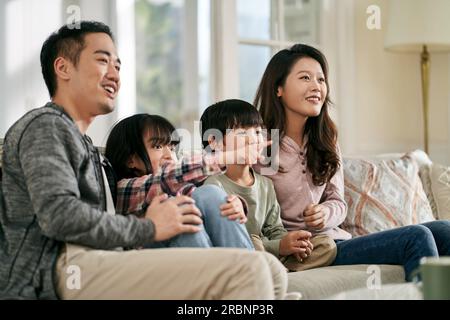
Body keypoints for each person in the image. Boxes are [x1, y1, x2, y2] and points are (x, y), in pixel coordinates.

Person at [0, 21, 288, 300]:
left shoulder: (89, 150)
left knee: (270, 269)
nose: (114, 74)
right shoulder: (46, 126)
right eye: (103, 61)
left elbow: (163, 182)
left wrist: (220, 195)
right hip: (54, 271)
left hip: (104, 255)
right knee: (247, 270)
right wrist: (149, 228)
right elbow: (60, 217)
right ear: (63, 68)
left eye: (118, 65)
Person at [253, 43, 450, 281]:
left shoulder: (325, 139)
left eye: (321, 80)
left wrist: (325, 212)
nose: (317, 87)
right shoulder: (259, 145)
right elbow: (252, 210)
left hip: (336, 240)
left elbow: (337, 201)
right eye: (305, 78)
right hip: (309, 251)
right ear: (278, 88)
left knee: (444, 230)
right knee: (416, 236)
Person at [200, 99, 337, 271]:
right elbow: (225, 237)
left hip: (268, 252)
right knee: (255, 244)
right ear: (214, 141)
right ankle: (271, 269)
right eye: (242, 133)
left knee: (326, 245)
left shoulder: (265, 184)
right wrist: (278, 246)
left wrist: (291, 242)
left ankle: (276, 269)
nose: (253, 139)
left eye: (257, 132)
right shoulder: (214, 186)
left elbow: (275, 229)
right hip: (241, 253)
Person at [104, 113, 253, 249]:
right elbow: (167, 178)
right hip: (148, 258)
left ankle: (247, 268)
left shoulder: (178, 189)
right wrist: (225, 157)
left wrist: (236, 204)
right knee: (183, 221)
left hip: (190, 251)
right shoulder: (125, 189)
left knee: (209, 193)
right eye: (158, 146)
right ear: (131, 160)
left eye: (172, 147)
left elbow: (202, 198)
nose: (169, 155)